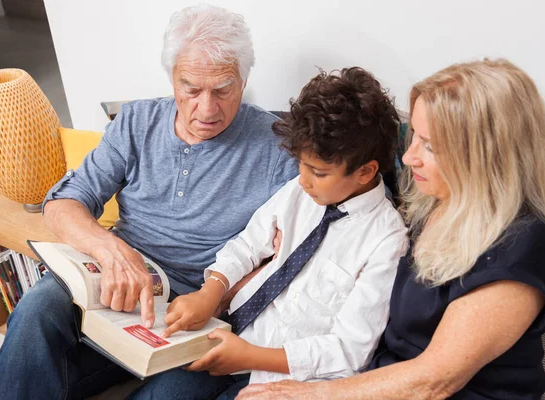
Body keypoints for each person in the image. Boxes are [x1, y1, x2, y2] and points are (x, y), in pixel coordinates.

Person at [0, 4, 297, 400]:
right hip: (116, 286)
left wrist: (219, 296)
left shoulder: (276, 146)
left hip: (201, 310)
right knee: (35, 310)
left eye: (223, 89)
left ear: (244, 79)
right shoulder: (135, 121)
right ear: (172, 78)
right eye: (191, 89)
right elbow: (62, 204)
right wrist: (112, 252)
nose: (207, 109)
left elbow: (294, 252)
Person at [236, 59, 545, 400]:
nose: (409, 158)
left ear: (485, 157)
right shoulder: (429, 200)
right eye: (413, 136)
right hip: (380, 379)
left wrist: (305, 394)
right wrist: (276, 262)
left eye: (430, 146)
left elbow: (434, 380)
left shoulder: (523, 245)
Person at [128, 67, 409, 400]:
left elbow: (348, 351)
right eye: (300, 164)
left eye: (317, 172)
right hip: (227, 336)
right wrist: (211, 291)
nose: (302, 179)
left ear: (365, 172)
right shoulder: (301, 191)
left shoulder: (386, 241)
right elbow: (248, 243)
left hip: (288, 377)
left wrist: (249, 356)